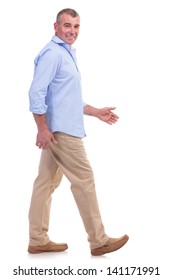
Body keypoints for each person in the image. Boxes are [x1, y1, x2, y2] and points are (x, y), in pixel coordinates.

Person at [28, 8, 129, 256]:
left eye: (76, 26)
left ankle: (37, 239)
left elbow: (66, 100)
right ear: (56, 27)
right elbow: (35, 93)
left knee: (46, 183)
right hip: (62, 133)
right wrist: (41, 128)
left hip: (59, 129)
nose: (72, 31)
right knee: (84, 180)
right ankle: (99, 240)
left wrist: (96, 112)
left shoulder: (66, 53)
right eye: (67, 26)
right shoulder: (53, 54)